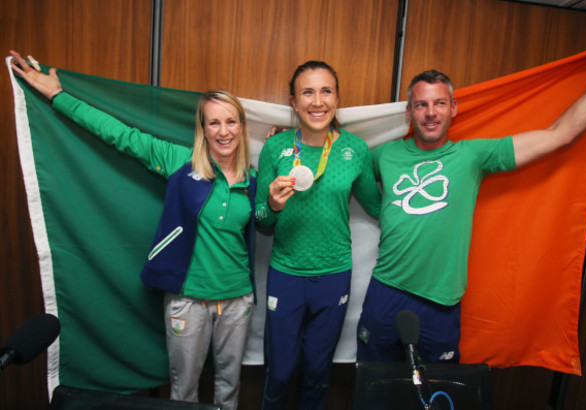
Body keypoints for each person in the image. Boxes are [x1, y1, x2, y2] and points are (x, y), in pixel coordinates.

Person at [356, 39, 586, 364]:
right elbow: (349, 169)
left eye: (439, 103)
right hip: (386, 291)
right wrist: (379, 210)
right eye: (421, 105)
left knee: (439, 393)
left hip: (440, 303)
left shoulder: (472, 155)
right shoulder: (386, 153)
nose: (430, 113)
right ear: (409, 112)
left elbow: (560, 134)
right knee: (374, 387)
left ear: (453, 108)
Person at [10, 50, 256, 409]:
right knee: (184, 391)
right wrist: (57, 97)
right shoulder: (180, 162)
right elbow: (120, 134)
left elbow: (266, 219)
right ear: (202, 129)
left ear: (242, 126)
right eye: (214, 123)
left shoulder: (253, 178)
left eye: (231, 121)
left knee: (229, 387)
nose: (223, 131)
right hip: (188, 301)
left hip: (238, 300)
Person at [254, 61, 381, 409]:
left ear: (337, 99)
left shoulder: (355, 150)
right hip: (287, 275)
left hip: (334, 276)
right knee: (279, 373)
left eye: (326, 91)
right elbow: (261, 222)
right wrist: (272, 206)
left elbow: (377, 207)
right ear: (294, 102)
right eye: (307, 92)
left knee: (316, 371)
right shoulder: (274, 148)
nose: (317, 101)